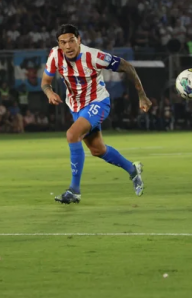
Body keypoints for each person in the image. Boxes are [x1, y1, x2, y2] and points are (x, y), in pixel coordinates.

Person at [42, 24, 151, 204]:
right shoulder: (55, 55)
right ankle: (132, 170)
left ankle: (74, 190)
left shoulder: (93, 56)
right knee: (97, 150)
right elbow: (45, 82)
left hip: (97, 103)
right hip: (76, 107)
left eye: (71, 41)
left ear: (79, 40)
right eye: (63, 42)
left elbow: (128, 67)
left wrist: (142, 96)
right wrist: (49, 92)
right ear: (59, 45)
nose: (68, 46)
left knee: (72, 134)